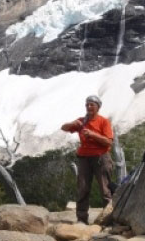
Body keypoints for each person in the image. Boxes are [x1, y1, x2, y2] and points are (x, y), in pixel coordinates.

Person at [61, 95, 114, 224]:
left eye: (92, 105)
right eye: (87, 105)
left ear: (98, 107)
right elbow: (63, 128)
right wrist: (73, 124)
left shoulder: (104, 121)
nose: (89, 107)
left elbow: (108, 142)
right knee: (83, 188)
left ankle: (110, 218)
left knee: (105, 189)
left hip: (101, 158)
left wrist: (92, 135)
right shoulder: (81, 121)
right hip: (84, 158)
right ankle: (82, 219)